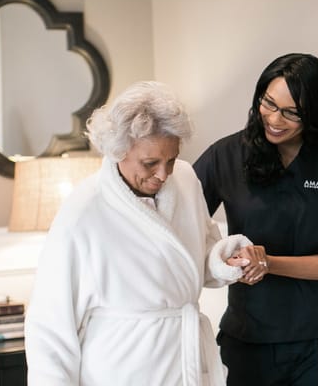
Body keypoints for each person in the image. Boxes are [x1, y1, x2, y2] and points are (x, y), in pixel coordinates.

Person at [25, 81, 260, 385]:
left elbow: (201, 255)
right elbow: (51, 328)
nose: (163, 174)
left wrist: (224, 261)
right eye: (150, 163)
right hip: (121, 369)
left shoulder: (186, 181)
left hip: (184, 364)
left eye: (171, 160)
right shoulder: (83, 211)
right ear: (118, 150)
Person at [194, 53, 318, 385]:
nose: (274, 119)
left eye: (291, 112)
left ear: (315, 114)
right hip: (249, 337)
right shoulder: (225, 156)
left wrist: (268, 262)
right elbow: (180, 222)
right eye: (268, 103)